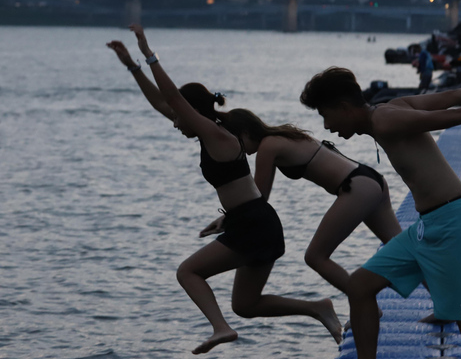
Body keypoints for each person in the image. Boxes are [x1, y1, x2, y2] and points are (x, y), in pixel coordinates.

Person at [106, 25, 342, 355]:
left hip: (254, 224)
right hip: (251, 221)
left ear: (194, 113)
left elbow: (172, 98)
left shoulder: (219, 137)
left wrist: (148, 53)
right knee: (246, 304)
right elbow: (164, 104)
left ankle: (220, 328)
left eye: (179, 118)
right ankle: (319, 308)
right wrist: (131, 66)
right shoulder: (209, 134)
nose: (174, 123)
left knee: (188, 272)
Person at [300, 67, 461, 359]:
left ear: (345, 108)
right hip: (428, 227)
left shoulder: (385, 119)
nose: (327, 126)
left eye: (325, 115)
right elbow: (453, 96)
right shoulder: (390, 109)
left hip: (452, 224)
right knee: (360, 286)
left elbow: (450, 115)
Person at [200, 108, 402, 301]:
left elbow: (257, 200)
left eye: (239, 143)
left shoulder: (268, 146)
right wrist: (226, 218)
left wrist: (228, 219)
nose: (240, 151)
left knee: (315, 257)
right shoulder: (283, 135)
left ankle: (366, 305)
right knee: (405, 251)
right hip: (370, 179)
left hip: (356, 187)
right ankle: (435, 302)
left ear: (245, 132)